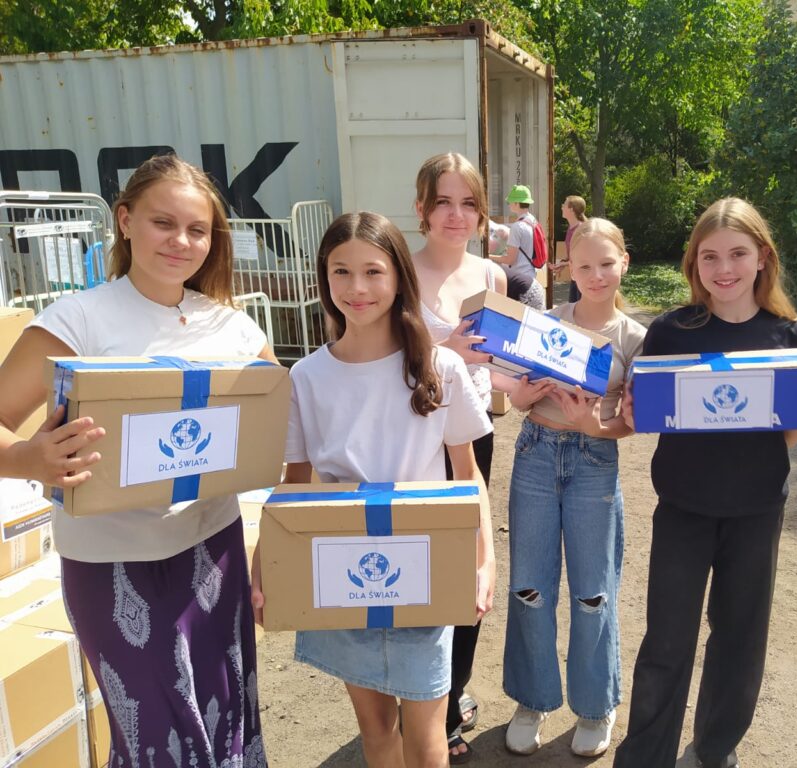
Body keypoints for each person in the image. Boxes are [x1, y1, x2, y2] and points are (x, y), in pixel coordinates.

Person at [0, 153, 274, 767]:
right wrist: (29, 458)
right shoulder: (78, 320)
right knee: (155, 735)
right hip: (110, 561)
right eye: (163, 223)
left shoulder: (233, 327)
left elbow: (278, 422)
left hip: (213, 551)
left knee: (226, 714)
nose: (181, 241)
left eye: (197, 229)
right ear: (125, 221)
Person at [251, 211, 496, 768]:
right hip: (341, 568)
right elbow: (294, 483)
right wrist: (264, 563)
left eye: (373, 271)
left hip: (424, 563)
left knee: (428, 730)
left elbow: (467, 474)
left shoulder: (440, 366)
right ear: (324, 278)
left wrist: (486, 560)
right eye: (341, 271)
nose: (357, 288)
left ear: (399, 276)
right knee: (376, 727)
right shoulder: (306, 377)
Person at [613, 198, 797, 768]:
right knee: (667, 640)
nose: (724, 268)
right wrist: (630, 408)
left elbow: (791, 432)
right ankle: (646, 757)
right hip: (683, 506)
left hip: (756, 509)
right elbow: (647, 414)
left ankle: (713, 749)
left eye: (738, 254)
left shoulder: (790, 337)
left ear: (763, 258)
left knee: (740, 638)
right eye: (710, 256)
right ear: (694, 263)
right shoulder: (670, 332)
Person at [502, 217, 646, 758]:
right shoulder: (545, 322)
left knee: (593, 592)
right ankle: (532, 699)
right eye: (584, 266)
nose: (596, 275)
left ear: (624, 262)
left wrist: (595, 426)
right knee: (529, 585)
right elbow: (515, 396)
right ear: (568, 268)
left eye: (606, 263)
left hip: (593, 463)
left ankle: (594, 705)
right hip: (535, 455)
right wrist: (523, 394)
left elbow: (633, 421)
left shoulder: (636, 338)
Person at [412, 151, 508, 763]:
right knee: (423, 565)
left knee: (471, 564)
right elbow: (373, 349)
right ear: (421, 208)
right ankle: (418, 697)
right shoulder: (398, 270)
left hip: (473, 436)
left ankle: (450, 699)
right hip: (413, 439)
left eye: (467, 203)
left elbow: (497, 370)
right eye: (443, 201)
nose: (455, 214)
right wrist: (442, 343)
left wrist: (550, 384)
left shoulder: (491, 276)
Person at [491, 184, 545, 309]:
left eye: (510, 202)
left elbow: (510, 260)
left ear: (516, 203)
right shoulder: (532, 221)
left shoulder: (517, 227)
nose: (509, 204)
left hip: (520, 282)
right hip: (531, 277)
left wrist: (489, 257)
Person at [553, 195, 587, 302]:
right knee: (574, 308)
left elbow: (583, 258)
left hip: (584, 277)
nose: (561, 207)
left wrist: (563, 264)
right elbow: (572, 256)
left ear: (571, 209)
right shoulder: (571, 228)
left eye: (564, 204)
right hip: (575, 276)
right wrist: (563, 263)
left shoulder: (581, 229)